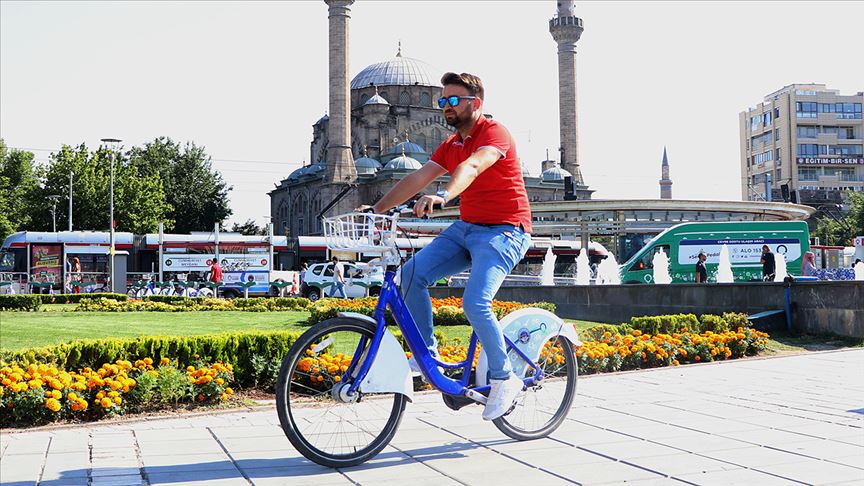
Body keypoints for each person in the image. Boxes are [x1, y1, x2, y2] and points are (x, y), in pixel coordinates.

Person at [365, 72, 532, 421]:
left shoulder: (494, 133)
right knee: (410, 277)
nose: (446, 107)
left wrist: (444, 195)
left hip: (505, 230)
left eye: (454, 100)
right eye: (442, 101)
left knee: (475, 302)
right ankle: (426, 355)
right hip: (467, 228)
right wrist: (376, 209)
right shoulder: (451, 144)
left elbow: (474, 166)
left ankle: (505, 379)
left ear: (476, 103)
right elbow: (417, 177)